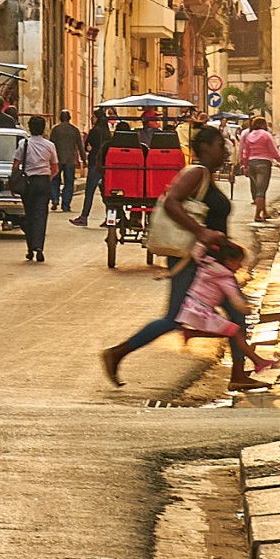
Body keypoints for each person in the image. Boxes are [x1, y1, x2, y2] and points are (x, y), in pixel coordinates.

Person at [99, 127, 243, 387]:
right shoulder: (195, 173)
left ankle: (240, 375)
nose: (224, 151)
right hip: (191, 259)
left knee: (235, 312)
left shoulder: (206, 176)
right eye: (220, 145)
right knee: (176, 317)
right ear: (206, 147)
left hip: (210, 263)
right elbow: (171, 202)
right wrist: (201, 232)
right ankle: (117, 352)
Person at [175, 241, 279, 382]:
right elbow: (236, 301)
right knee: (236, 332)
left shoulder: (207, 262)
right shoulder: (225, 277)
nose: (240, 266)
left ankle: (192, 333)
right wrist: (247, 309)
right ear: (229, 261)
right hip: (203, 312)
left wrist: (210, 241)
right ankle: (257, 361)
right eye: (238, 262)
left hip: (191, 306)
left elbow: (197, 249)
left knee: (230, 332)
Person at [11, 115, 58, 262]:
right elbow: (55, 168)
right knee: (41, 216)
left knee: (30, 215)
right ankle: (39, 247)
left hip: (29, 183)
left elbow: (16, 166)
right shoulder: (50, 145)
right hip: (43, 182)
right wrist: (47, 178)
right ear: (43, 128)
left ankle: (30, 248)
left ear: (30, 128)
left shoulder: (23, 144)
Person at [238, 115, 280, 222]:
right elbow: (273, 150)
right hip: (263, 164)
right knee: (261, 190)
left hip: (251, 163)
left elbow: (245, 153)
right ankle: (257, 215)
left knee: (258, 189)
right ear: (261, 125)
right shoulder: (266, 135)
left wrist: (245, 166)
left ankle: (264, 212)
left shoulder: (249, 136)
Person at [71, 108, 111, 227]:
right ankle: (110, 217)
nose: (92, 118)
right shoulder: (107, 133)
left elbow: (87, 144)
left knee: (89, 192)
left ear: (97, 118)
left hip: (95, 164)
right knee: (106, 193)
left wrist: (90, 150)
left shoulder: (94, 131)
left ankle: (84, 217)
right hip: (106, 165)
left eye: (93, 117)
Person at [50, 109, 83, 213]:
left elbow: (51, 145)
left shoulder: (55, 130)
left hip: (57, 159)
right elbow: (80, 146)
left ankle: (55, 198)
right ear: (69, 118)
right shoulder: (75, 130)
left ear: (60, 118)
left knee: (55, 180)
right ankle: (66, 205)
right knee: (69, 183)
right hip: (70, 160)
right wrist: (84, 159)